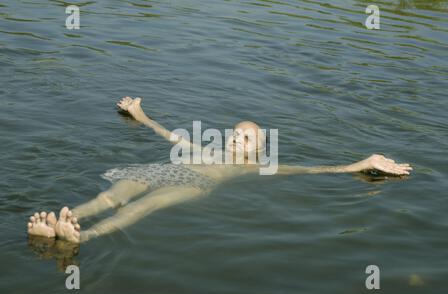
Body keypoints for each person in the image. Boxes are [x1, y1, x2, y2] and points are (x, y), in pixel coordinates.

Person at [27, 97, 413, 243]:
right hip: (163, 170)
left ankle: (84, 237)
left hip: (194, 183)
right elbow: (169, 137)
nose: (235, 140)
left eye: (246, 139)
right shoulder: (205, 146)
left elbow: (313, 171)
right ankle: (65, 221)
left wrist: (363, 164)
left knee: (137, 209)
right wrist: (140, 114)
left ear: (259, 151)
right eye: (234, 134)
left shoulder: (258, 167)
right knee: (110, 196)